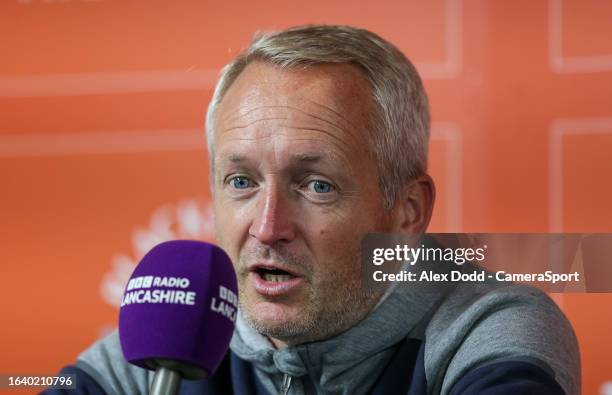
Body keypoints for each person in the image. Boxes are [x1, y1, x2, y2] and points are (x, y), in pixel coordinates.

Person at [48, 25, 579, 394]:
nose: (267, 226)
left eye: (317, 185)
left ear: (408, 212)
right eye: (241, 181)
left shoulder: (486, 326)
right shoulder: (172, 338)